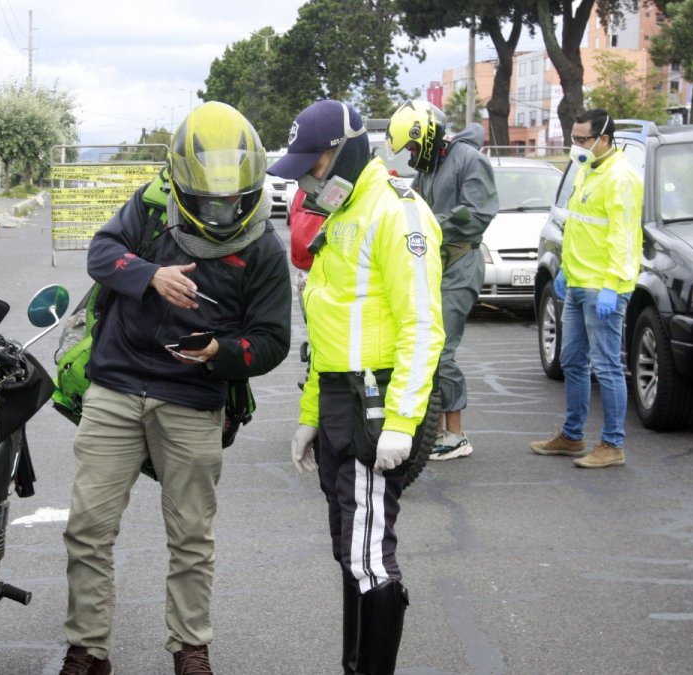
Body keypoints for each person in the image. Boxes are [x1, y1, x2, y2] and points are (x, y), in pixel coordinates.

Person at [58, 101, 292, 675]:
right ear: (183, 183)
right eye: (208, 200)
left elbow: (272, 341)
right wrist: (150, 276)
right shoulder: (152, 204)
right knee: (88, 529)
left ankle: (191, 647)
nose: (219, 211)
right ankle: (87, 650)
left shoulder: (262, 247)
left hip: (193, 397)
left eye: (231, 200)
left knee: (191, 535)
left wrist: (219, 353)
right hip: (116, 385)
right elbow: (101, 253)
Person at [274, 99, 444, 675]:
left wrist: (401, 423)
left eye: (310, 165)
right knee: (350, 551)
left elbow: (423, 326)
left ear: (341, 151)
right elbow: (330, 327)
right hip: (339, 400)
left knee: (370, 557)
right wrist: (310, 412)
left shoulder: (398, 213)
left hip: (378, 404)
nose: (303, 179)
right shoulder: (342, 210)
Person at [531, 108, 642, 468]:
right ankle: (572, 436)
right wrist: (564, 269)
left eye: (582, 139)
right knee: (572, 361)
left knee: (607, 366)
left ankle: (612, 445)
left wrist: (612, 285)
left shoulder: (621, 177)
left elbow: (623, 237)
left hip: (602, 288)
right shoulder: (586, 170)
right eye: (573, 138)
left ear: (604, 140)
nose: (575, 145)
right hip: (578, 282)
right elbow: (578, 226)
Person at [387, 100, 497, 461]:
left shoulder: (468, 160)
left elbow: (479, 213)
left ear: (429, 135)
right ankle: (434, 429)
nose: (412, 154)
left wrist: (433, 223)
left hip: (462, 264)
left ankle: (456, 434)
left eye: (414, 147)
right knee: (427, 347)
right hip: (436, 266)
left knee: (442, 349)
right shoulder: (430, 168)